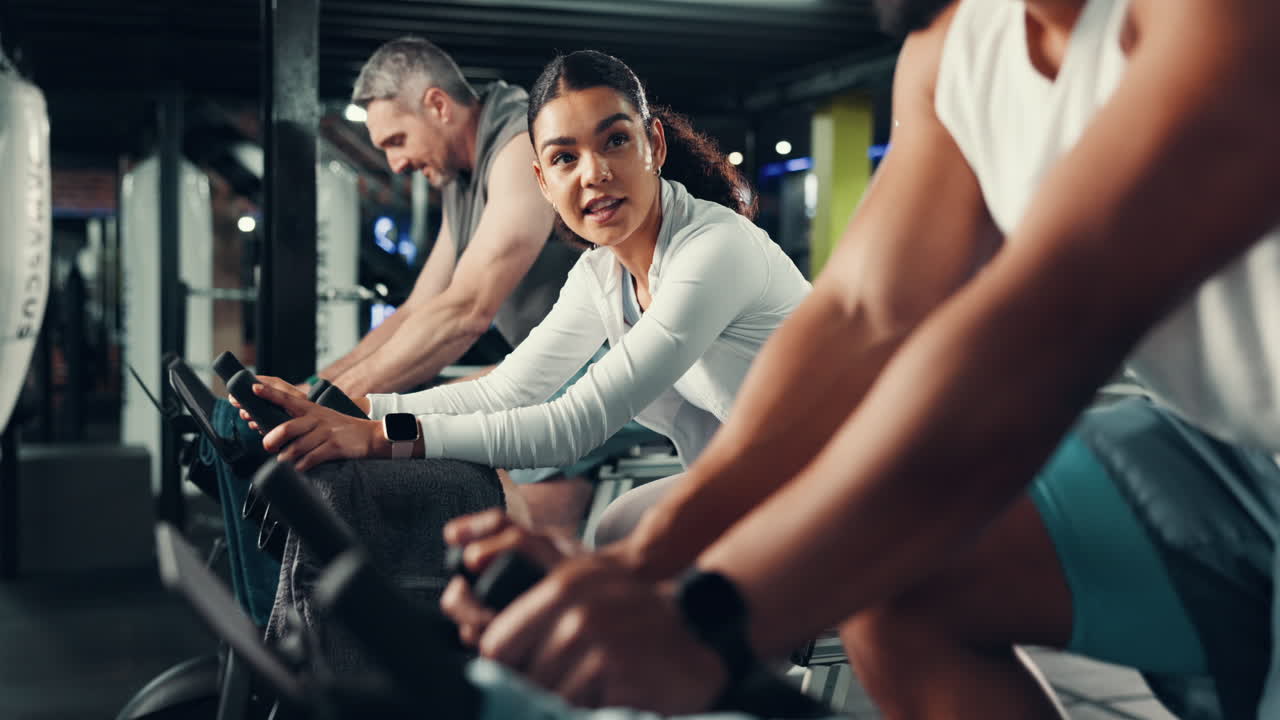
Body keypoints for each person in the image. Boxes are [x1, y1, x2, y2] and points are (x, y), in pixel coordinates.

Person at [434, 1, 1280, 717]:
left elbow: (1041, 327)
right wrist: (640, 569)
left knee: (855, 547)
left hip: (1225, 451)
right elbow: (861, 315)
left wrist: (710, 612)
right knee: (890, 581)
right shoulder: (952, 52)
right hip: (1218, 446)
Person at [249, 50, 812, 548]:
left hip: (838, 471)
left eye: (616, 140)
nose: (595, 173)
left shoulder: (713, 249)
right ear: (543, 182)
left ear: (654, 145)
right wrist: (349, 411)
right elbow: (511, 389)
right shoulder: (602, 272)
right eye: (566, 158)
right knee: (620, 528)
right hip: (753, 475)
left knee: (626, 542)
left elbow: (574, 425)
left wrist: (379, 438)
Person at [317, 36, 579, 397]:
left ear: (438, 105)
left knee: (412, 420)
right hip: (557, 367)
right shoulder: (460, 175)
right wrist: (312, 390)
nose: (397, 165)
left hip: (610, 364)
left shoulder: (520, 145)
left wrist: (326, 404)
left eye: (398, 140)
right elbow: (420, 308)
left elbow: (467, 311)